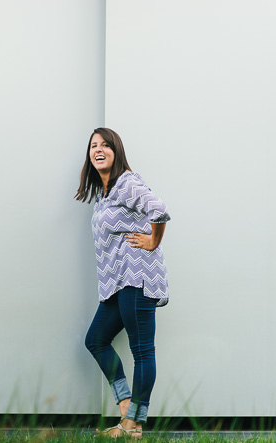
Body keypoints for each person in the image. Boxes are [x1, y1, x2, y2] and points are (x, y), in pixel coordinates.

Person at [75, 128, 170, 438]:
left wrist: (152, 241)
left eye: (105, 145)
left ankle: (134, 424)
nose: (98, 149)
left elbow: (158, 209)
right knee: (96, 340)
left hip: (137, 276)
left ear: (117, 151)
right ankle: (127, 407)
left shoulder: (128, 183)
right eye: (93, 145)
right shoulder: (105, 193)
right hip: (117, 282)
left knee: (142, 349)